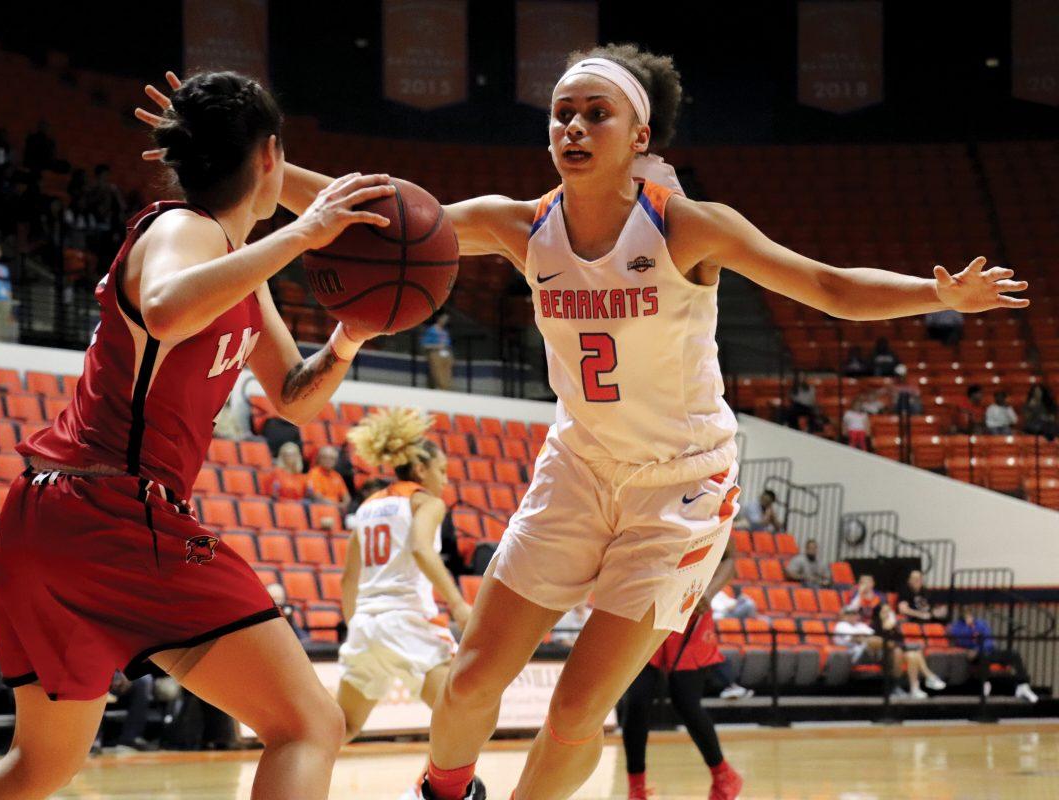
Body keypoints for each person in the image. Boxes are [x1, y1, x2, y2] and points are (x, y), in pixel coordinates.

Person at [142, 46, 1027, 798]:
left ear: (639, 135)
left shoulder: (689, 228)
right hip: (578, 469)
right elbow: (376, 220)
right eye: (561, 113)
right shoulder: (521, 226)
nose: (570, 127)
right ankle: (446, 790)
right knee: (471, 680)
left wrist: (935, 293)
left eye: (593, 113)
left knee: (574, 710)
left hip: (681, 488)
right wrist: (245, 158)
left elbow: (828, 286)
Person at [0, 70, 394, 800]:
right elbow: (164, 309)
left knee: (39, 765)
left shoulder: (237, 269)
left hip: (54, 516)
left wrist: (345, 343)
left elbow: (291, 398)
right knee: (309, 724)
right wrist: (307, 232)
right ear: (272, 157)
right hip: (115, 509)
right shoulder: (186, 228)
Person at [337, 408, 472, 743]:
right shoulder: (426, 502)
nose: (445, 480)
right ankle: (429, 792)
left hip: (365, 626)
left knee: (343, 728)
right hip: (407, 622)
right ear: (421, 468)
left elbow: (348, 579)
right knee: (463, 719)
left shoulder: (367, 506)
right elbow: (420, 549)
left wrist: (358, 625)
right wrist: (458, 604)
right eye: (441, 471)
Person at [619, 537, 744, 800]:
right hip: (648, 604)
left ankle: (724, 776)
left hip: (690, 609)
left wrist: (708, 593)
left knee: (685, 702)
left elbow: (729, 559)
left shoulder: (711, 500)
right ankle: (637, 789)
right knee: (637, 701)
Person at [948, 608, 1038, 703]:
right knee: (984, 656)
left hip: (987, 650)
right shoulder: (957, 627)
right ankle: (985, 685)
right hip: (975, 655)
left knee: (1013, 654)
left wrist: (977, 642)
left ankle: (1023, 685)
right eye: (965, 613)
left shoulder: (981, 623)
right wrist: (969, 627)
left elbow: (988, 640)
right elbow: (961, 640)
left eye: (969, 612)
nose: (968, 615)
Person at [871, 603, 946, 699]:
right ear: (878, 614)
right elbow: (880, 644)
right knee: (901, 651)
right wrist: (887, 630)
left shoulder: (894, 627)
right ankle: (929, 676)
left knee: (913, 655)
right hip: (883, 658)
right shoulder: (874, 626)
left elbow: (900, 643)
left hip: (900, 654)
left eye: (889, 611)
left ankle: (914, 689)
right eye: (884, 612)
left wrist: (891, 630)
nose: (887, 614)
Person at [420, 311, 454, 390]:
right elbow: (425, 344)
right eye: (444, 318)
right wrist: (437, 346)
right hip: (435, 352)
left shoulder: (445, 332)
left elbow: (448, 344)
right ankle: (441, 386)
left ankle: (446, 387)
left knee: (448, 370)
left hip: (445, 353)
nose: (445, 321)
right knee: (438, 371)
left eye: (446, 319)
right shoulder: (431, 330)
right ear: (439, 319)